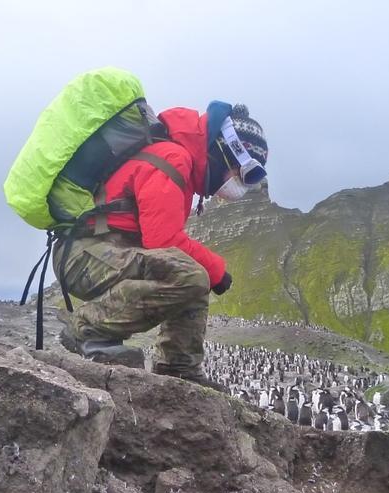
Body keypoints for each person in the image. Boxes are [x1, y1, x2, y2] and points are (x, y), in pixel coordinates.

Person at [54, 102, 267, 388]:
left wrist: (209, 270)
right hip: (83, 255)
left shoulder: (182, 162)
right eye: (243, 174)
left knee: (191, 273)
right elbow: (163, 242)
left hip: (101, 252)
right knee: (190, 274)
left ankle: (179, 367)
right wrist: (216, 268)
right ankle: (88, 327)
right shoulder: (173, 157)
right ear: (227, 151)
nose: (240, 187)